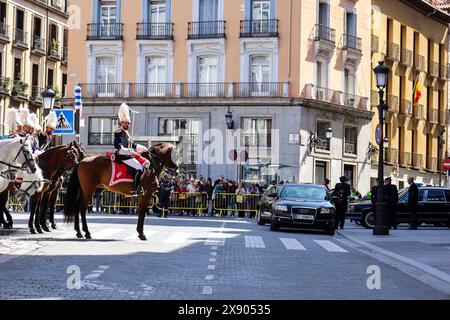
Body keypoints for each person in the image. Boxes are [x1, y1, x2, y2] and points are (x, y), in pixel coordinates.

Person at [113, 103, 153, 195]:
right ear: (122, 123)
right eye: (126, 123)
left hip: (128, 155)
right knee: (139, 167)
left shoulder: (126, 133)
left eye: (129, 123)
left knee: (143, 164)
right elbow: (118, 147)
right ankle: (136, 188)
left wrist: (142, 147)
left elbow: (132, 144)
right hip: (122, 156)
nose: (128, 125)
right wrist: (128, 150)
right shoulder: (119, 132)